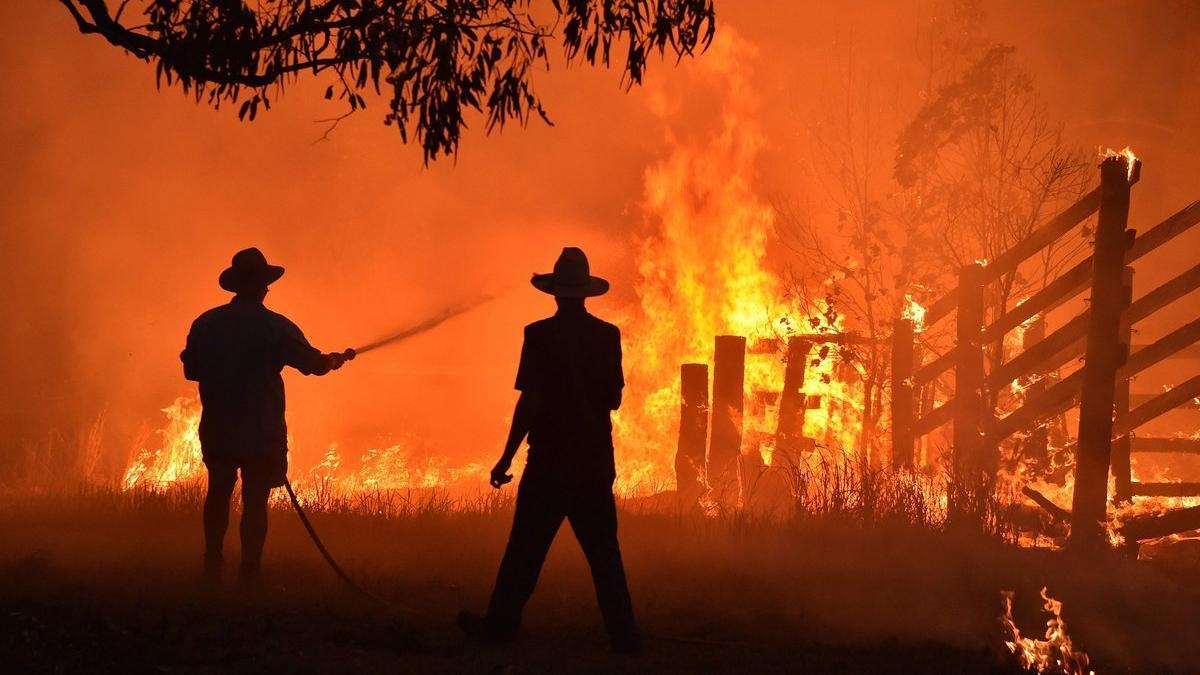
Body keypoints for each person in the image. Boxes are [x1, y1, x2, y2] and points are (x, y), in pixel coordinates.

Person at [458, 247, 640, 653]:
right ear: (585, 294)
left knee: (524, 550)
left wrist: (506, 458)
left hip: (548, 465)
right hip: (593, 464)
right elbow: (614, 399)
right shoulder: (607, 336)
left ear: (556, 294)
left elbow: (530, 402)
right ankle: (626, 638)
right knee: (605, 555)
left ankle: (500, 627)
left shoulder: (538, 335)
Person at [181, 247, 354, 586]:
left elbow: (191, 371)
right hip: (260, 429)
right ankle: (249, 573)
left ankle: (212, 565)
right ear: (262, 287)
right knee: (255, 500)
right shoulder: (275, 327)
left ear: (235, 286)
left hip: (218, 425)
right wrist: (334, 360)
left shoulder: (206, 323)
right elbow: (313, 365)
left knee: (218, 492)